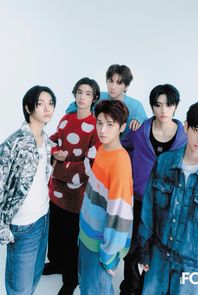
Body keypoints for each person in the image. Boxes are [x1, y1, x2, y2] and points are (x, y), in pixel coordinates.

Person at [138, 100, 198, 295]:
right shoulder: (164, 162)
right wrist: (144, 251)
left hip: (196, 264)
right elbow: (148, 209)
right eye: (197, 129)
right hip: (159, 257)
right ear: (186, 127)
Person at [120, 84, 187, 294]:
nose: (163, 110)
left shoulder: (184, 137)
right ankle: (130, 288)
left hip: (165, 201)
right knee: (132, 246)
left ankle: (150, 287)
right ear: (152, 107)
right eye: (158, 105)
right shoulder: (140, 130)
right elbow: (123, 145)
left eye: (168, 104)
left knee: (157, 246)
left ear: (176, 106)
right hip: (138, 198)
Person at [43, 78, 101, 295]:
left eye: (87, 93)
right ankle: (56, 263)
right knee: (55, 233)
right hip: (56, 191)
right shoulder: (66, 119)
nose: (82, 97)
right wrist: (55, 153)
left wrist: (58, 167)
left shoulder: (96, 126)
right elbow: (54, 140)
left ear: (94, 98)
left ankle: (70, 278)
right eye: (79, 92)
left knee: (70, 238)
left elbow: (89, 164)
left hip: (77, 196)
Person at [0, 85, 56, 295]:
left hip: (43, 218)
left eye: (50, 103)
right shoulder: (15, 143)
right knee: (19, 288)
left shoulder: (46, 141)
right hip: (22, 224)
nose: (47, 108)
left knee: (35, 276)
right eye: (40, 104)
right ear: (28, 107)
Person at [78, 100, 133, 295]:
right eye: (99, 123)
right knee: (87, 287)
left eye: (110, 124)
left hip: (101, 248)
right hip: (87, 237)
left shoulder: (120, 162)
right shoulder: (102, 149)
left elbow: (120, 215)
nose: (103, 130)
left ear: (122, 127)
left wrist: (109, 255)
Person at [65, 64, 147, 138]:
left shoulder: (136, 106)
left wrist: (139, 119)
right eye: (111, 81)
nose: (113, 87)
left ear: (126, 86)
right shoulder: (99, 96)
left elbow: (148, 125)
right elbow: (71, 108)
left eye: (119, 83)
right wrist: (88, 109)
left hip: (123, 148)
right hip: (94, 143)